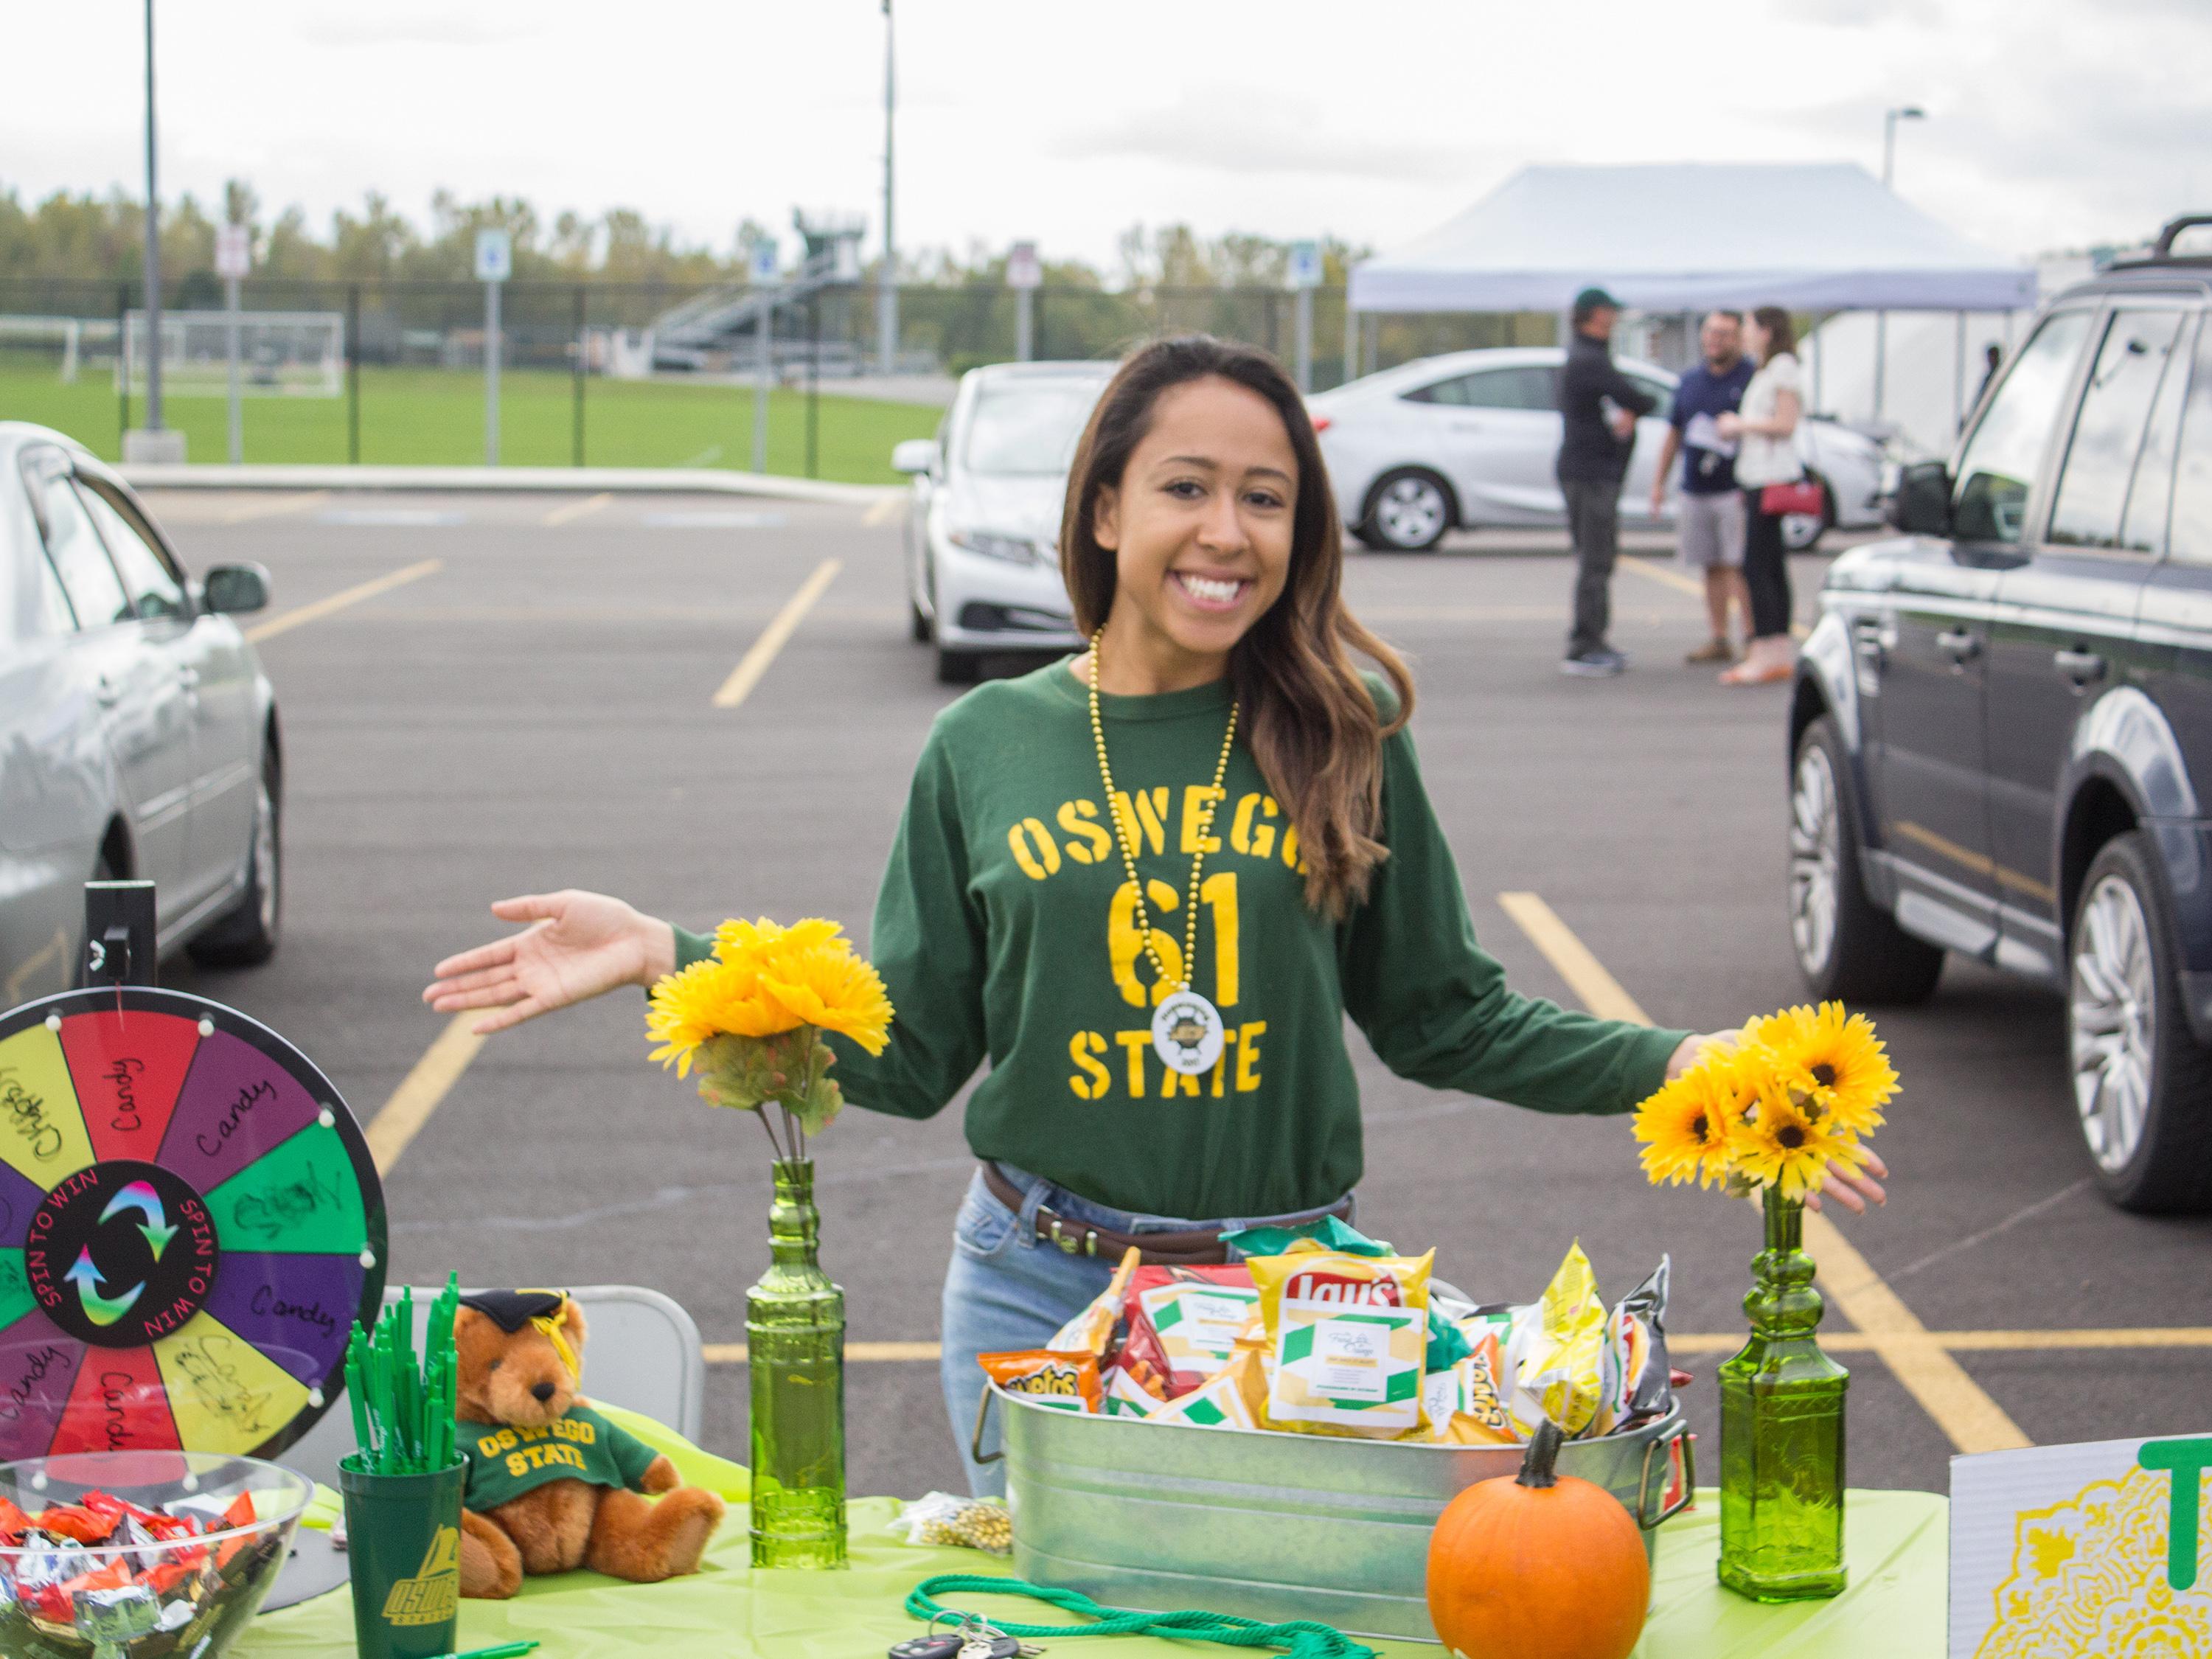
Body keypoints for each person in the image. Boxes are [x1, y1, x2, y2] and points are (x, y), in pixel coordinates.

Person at [421, 335, 1887, 1497]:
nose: (1227, 531)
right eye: (1188, 485)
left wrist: (1677, 1059)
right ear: (1109, 504)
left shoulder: (1346, 724)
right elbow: (913, 1050)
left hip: (1295, 1298)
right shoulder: (985, 744)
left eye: (1267, 496)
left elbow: (1445, 1016)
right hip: (1037, 1293)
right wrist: (664, 959)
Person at [1555, 287, 1657, 677]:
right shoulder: (1589, 359)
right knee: (1596, 559)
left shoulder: (1583, 355)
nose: (1613, 318)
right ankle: (1585, 644)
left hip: (1585, 469)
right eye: (1608, 312)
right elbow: (1639, 397)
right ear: (1594, 315)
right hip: (1589, 473)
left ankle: (1593, 639)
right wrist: (1632, 410)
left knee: (1596, 558)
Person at [1648, 311, 1754, 664]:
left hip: (1735, 487)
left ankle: (1753, 637)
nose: (1715, 340)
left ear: (1738, 338)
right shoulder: (1690, 381)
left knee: (1738, 564)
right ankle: (1719, 637)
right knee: (1710, 564)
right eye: (1711, 332)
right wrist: (1658, 484)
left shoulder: (1751, 378)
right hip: (1696, 487)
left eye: (1724, 333)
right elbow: (1674, 434)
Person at [1717, 306, 1804, 686]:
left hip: (1771, 478)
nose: (1745, 334)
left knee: (1757, 566)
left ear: (1767, 331)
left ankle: (1767, 649)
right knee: (1768, 565)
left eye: (1750, 327)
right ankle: (1774, 650)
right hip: (1756, 477)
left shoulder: (1783, 367)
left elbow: (1786, 423)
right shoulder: (1767, 369)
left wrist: (1739, 426)